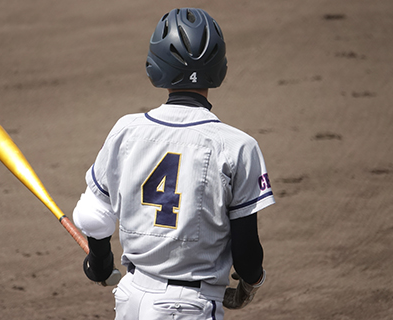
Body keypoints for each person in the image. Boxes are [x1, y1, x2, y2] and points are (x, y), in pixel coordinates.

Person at [73, 7, 275, 320]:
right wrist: (252, 282)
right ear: (219, 68)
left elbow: (92, 216)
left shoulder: (126, 130)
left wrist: (98, 263)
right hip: (188, 306)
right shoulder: (238, 146)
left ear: (155, 66)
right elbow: (246, 252)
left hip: (131, 299)